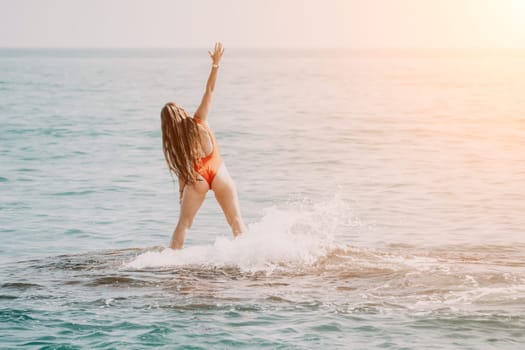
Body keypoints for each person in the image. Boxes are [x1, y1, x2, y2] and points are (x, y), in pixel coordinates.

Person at [160, 42, 246, 249]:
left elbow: (182, 172)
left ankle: (172, 261)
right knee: (235, 221)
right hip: (218, 172)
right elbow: (210, 90)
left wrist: (182, 193)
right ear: (181, 112)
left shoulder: (176, 145)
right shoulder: (199, 120)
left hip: (196, 178)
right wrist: (216, 65)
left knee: (184, 225)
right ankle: (248, 258)